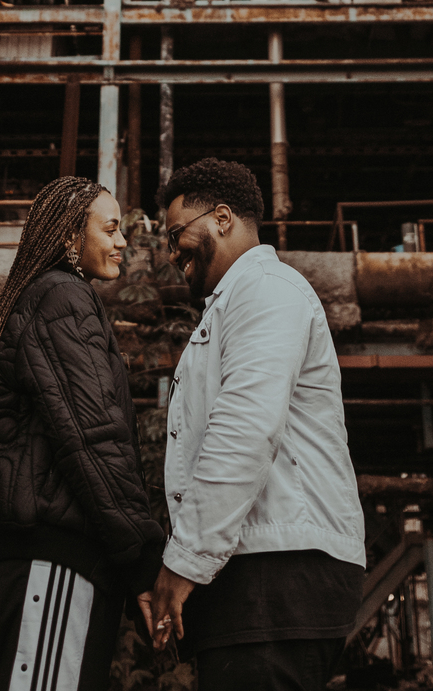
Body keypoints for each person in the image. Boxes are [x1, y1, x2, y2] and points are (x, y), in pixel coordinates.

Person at [149, 157, 365, 691]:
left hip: (277, 572)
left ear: (222, 218)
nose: (171, 252)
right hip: (261, 569)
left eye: (176, 234)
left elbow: (245, 427)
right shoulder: (236, 302)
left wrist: (185, 559)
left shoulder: (266, 289)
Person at [0, 176, 163, 691]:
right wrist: (143, 558)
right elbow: (94, 437)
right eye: (110, 229)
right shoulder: (63, 296)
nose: (122, 241)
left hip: (53, 557)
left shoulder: (50, 296)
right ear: (70, 236)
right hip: (58, 558)